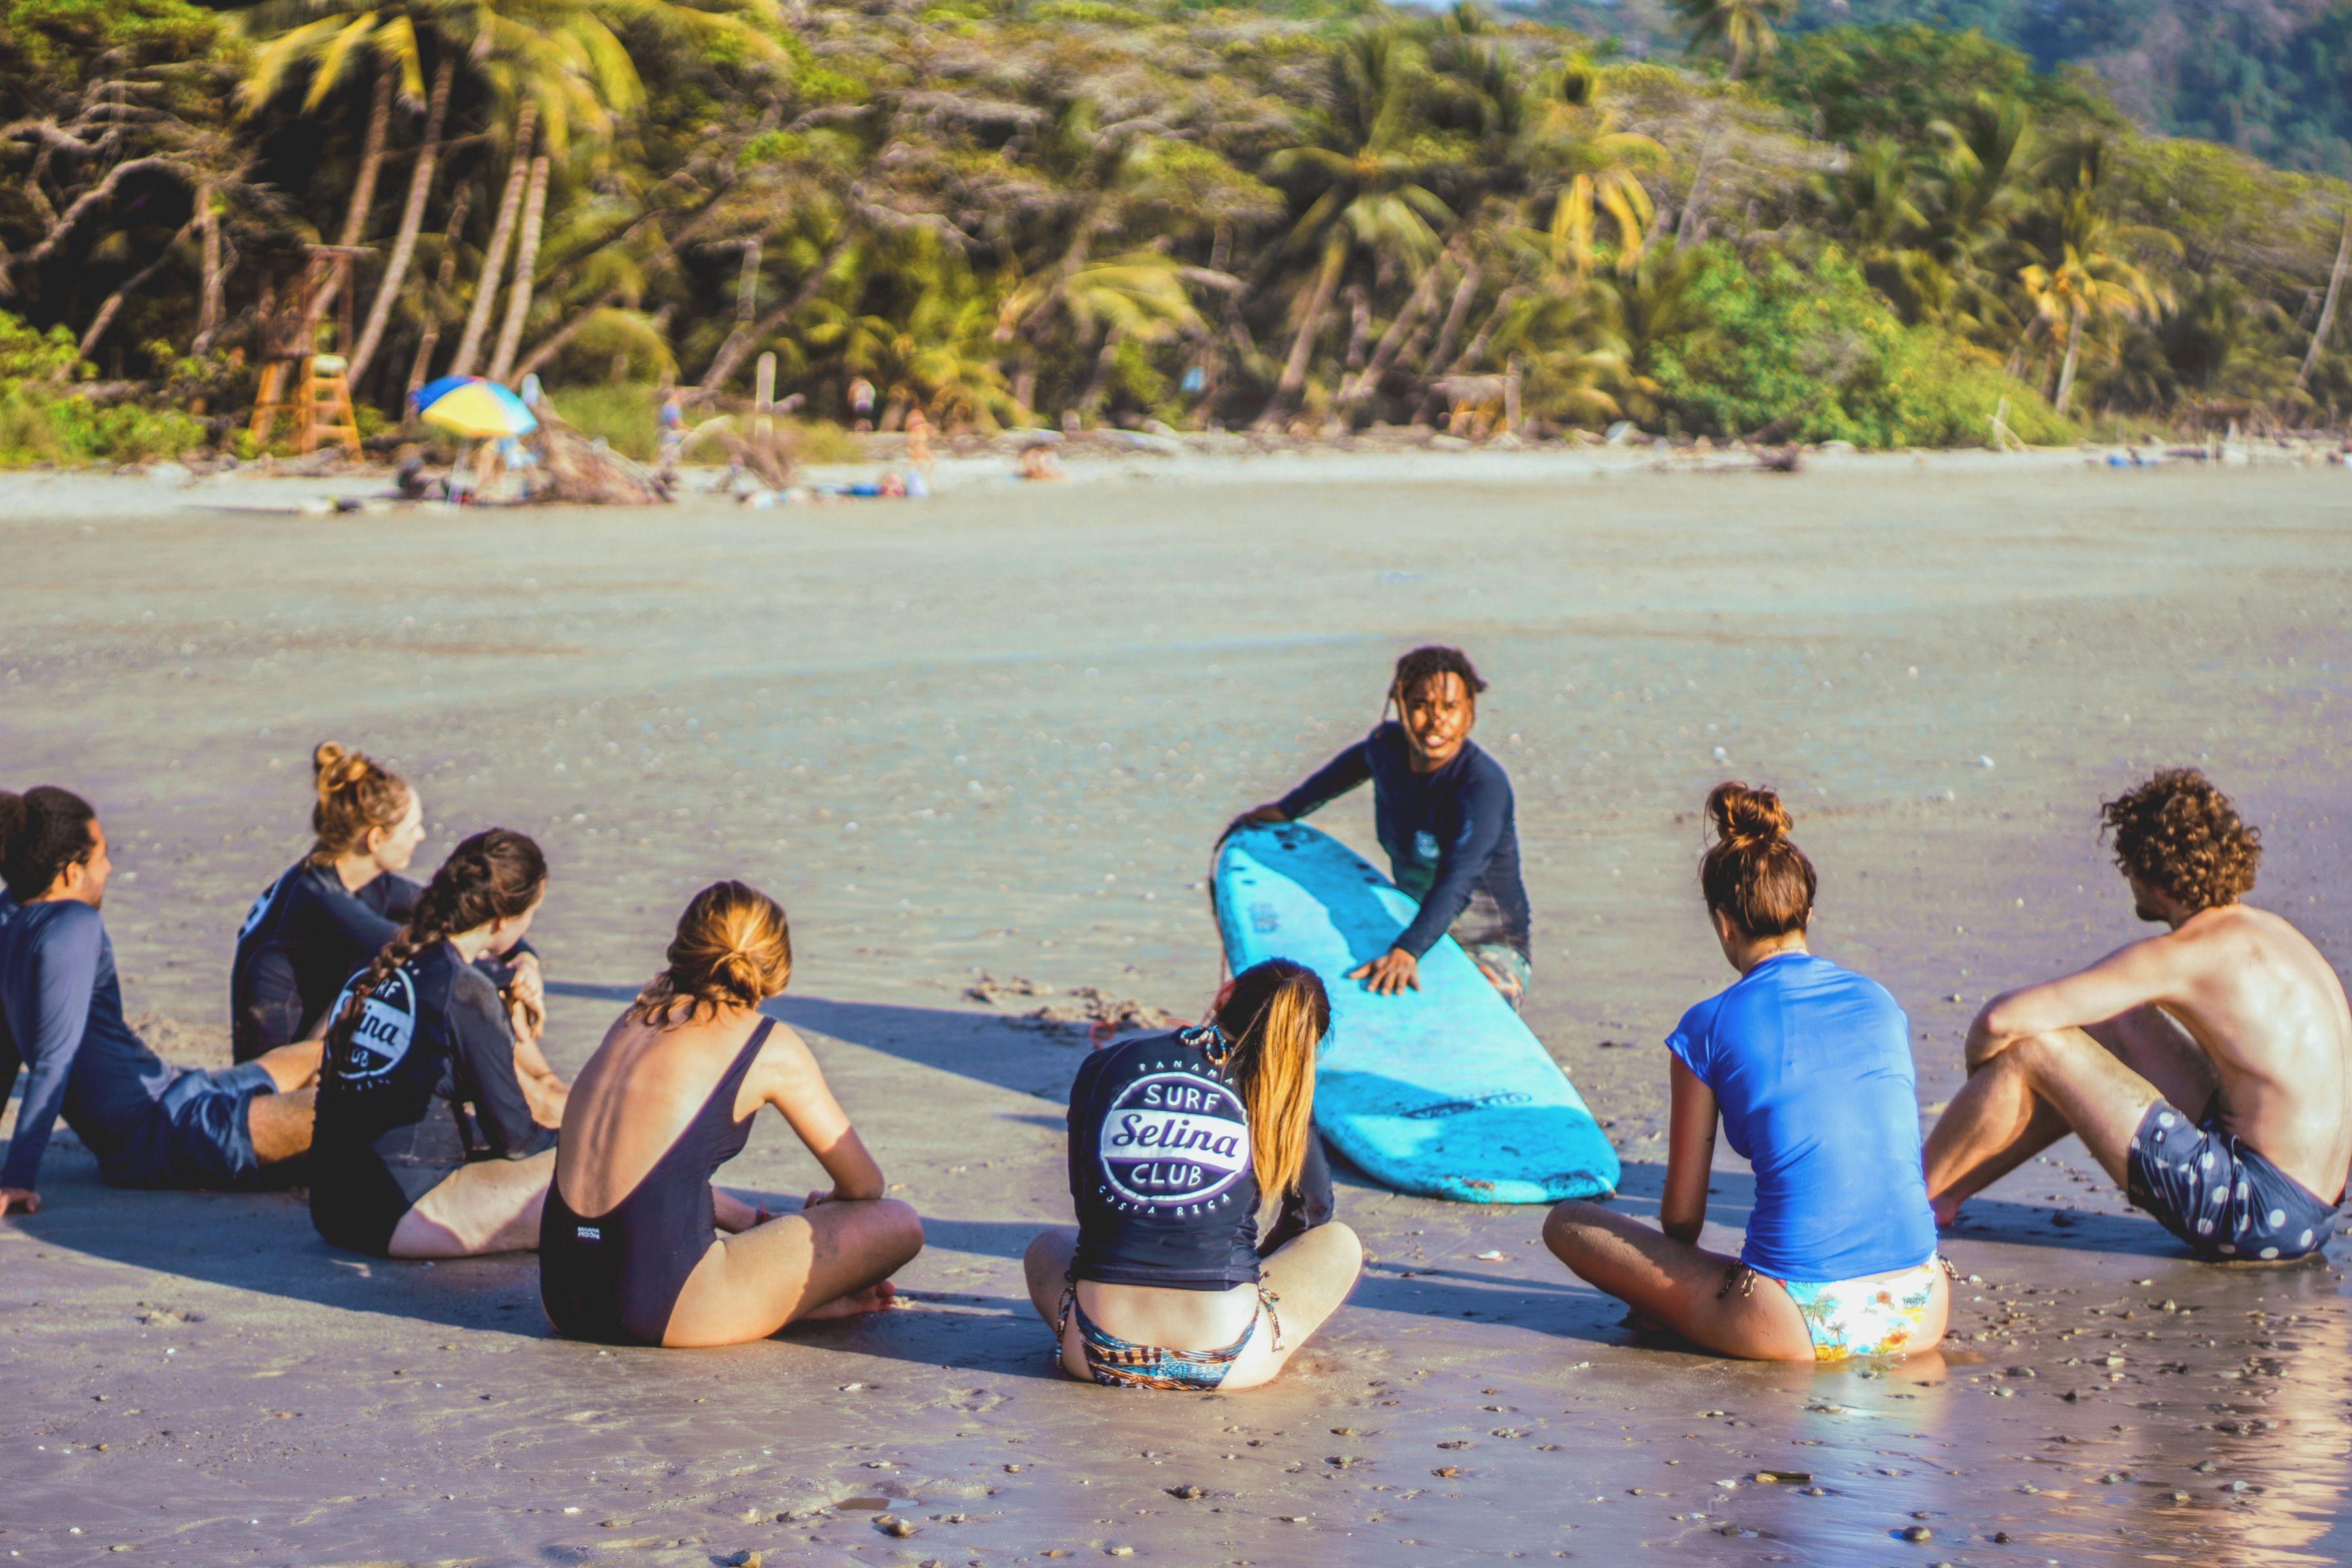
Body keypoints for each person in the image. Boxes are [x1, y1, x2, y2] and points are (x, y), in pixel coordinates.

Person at [1544, 784, 1948, 1362]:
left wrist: (1664, 1290)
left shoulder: (1707, 1025)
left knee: (1569, 1223)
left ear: (1723, 924)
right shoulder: (1880, 1001)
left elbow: (1682, 1218)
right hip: (1923, 1304)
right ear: (1808, 914)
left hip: (1793, 1321)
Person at [1923, 769, 2352, 1262]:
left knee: (2035, 1047)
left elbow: (2001, 1022)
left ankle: (1910, 1201)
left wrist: (1986, 1072)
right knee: (2118, 1023)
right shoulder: (2271, 933)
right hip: (2315, 1210)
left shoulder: (2187, 953)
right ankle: (1948, 1192)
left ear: (2149, 871)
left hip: (2256, 1213)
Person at [540, 881, 923, 1346]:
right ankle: (783, 1307)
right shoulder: (766, 1043)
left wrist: (747, 1219)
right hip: (660, 1307)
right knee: (897, 1223)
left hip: (564, 1298)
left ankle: (770, 1305)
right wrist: (828, 1210)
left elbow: (640, 1176)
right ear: (774, 970)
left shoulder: (632, 1021)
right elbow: (865, 1185)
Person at [1022, 959, 1363, 1390]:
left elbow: (1088, 1207)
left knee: (1047, 1245)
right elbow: (1312, 1214)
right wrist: (1249, 1266)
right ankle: (1246, 1326)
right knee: (1338, 1242)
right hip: (1230, 1360)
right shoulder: (1278, 1093)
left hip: (1095, 1354)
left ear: (1224, 995)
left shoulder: (1110, 1062)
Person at [0, 788, 319, 1216]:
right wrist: (18, 1177)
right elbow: (54, 1059)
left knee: (324, 1050)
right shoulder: (72, 923)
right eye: (102, 857)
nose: (109, 869)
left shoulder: (10, 921)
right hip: (163, 1135)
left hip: (178, 1089)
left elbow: (7, 1046)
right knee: (352, 1109)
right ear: (71, 874)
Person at [228, 744, 563, 1117]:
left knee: (470, 973)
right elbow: (426, 957)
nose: (421, 837)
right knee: (456, 980)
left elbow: (471, 911)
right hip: (281, 1075)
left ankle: (544, 1085)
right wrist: (506, 978)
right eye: (414, 827)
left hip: (318, 1040)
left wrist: (524, 961)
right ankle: (538, 1095)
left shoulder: (368, 883)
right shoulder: (316, 895)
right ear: (375, 839)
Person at [1230, 645, 1532, 1009]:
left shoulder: (1481, 788)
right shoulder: (1385, 749)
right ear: (1399, 705)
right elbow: (1353, 765)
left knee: (1461, 1014)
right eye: (1421, 705)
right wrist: (1287, 809)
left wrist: (1408, 950)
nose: (1437, 721)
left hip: (1487, 943)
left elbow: (1458, 880)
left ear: (1470, 713)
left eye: (1451, 708)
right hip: (1408, 922)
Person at [308, 829, 559, 1258]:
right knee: (602, 1165)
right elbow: (517, 1139)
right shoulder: (467, 992)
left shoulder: (379, 967)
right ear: (503, 920)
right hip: (400, 1213)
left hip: (332, 1208)